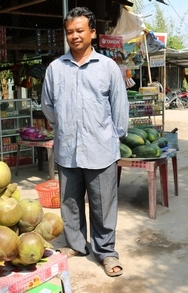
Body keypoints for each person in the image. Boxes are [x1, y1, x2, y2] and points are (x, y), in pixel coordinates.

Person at [41, 7, 128, 277]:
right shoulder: (55, 68)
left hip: (101, 148)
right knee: (70, 203)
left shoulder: (108, 67)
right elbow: (47, 105)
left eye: (80, 30)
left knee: (103, 204)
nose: (74, 36)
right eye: (70, 32)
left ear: (93, 33)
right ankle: (77, 245)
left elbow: (119, 107)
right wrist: (64, 127)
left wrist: (111, 136)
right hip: (67, 148)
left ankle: (106, 252)